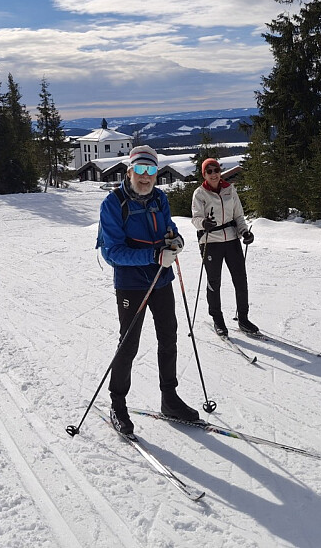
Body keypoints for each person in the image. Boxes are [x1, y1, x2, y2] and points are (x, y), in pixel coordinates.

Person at [98, 145, 200, 435]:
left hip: (161, 279)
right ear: (130, 171)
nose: (145, 176)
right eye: (140, 170)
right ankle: (118, 404)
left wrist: (176, 240)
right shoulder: (113, 203)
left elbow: (168, 228)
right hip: (131, 284)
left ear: (157, 173)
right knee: (129, 343)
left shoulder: (159, 198)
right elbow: (112, 252)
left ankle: (169, 398)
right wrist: (154, 255)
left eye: (151, 170)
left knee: (169, 337)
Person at [190, 158, 257, 337]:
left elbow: (239, 216)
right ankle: (217, 319)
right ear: (204, 175)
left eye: (216, 170)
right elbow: (195, 218)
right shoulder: (200, 193)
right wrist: (204, 223)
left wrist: (244, 232)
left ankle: (243, 318)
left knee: (240, 280)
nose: (214, 174)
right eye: (209, 171)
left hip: (232, 239)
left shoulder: (230, 189)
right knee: (214, 282)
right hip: (211, 240)